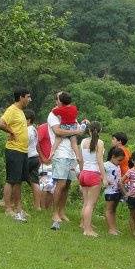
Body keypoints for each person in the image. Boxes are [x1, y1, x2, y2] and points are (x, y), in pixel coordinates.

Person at [47, 91, 86, 230]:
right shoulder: (53, 115)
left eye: (57, 99)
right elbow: (58, 131)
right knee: (61, 184)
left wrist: (75, 131)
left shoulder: (67, 112)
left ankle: (62, 211)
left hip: (70, 154)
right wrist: (74, 132)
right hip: (61, 153)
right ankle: (55, 213)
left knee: (68, 184)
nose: (55, 101)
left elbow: (75, 128)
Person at [0, 88, 32, 222]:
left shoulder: (21, 112)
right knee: (11, 180)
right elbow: (0, 123)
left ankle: (18, 207)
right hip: (14, 150)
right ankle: (8, 208)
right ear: (21, 97)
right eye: (28, 97)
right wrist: (11, 132)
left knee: (19, 181)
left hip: (22, 150)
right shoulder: (12, 110)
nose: (29, 99)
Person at [78, 122, 107, 237]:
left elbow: (80, 159)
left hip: (84, 173)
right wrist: (104, 177)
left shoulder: (83, 141)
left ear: (88, 130)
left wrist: (81, 173)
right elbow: (100, 161)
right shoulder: (100, 143)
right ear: (99, 131)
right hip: (94, 174)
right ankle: (87, 230)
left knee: (85, 203)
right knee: (90, 204)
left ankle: (84, 225)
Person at [51, 91, 85, 169]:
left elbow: (54, 111)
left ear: (61, 102)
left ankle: (52, 151)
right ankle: (77, 156)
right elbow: (75, 114)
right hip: (73, 126)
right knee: (74, 143)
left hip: (64, 126)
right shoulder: (74, 108)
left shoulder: (61, 110)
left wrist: (56, 109)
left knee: (58, 138)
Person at [24, 109, 46, 211]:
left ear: (28, 120)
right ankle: (37, 206)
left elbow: (25, 143)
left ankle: (10, 202)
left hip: (28, 157)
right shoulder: (34, 129)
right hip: (35, 157)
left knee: (15, 180)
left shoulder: (27, 130)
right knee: (34, 181)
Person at [103, 146, 125, 235]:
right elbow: (98, 173)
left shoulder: (117, 166)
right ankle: (111, 229)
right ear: (113, 157)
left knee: (113, 210)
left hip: (117, 191)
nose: (119, 162)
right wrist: (104, 180)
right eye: (119, 160)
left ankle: (114, 228)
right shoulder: (106, 165)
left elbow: (119, 179)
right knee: (109, 210)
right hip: (109, 191)